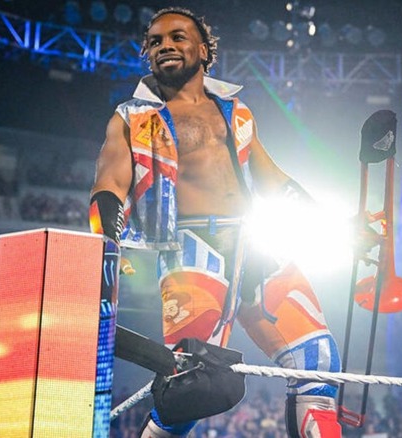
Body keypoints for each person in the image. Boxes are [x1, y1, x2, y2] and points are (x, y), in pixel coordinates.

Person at [89, 7, 342, 438]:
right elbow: (108, 187)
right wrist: (104, 247)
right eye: (155, 41)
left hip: (255, 242)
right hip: (189, 246)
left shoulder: (237, 111)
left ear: (204, 51)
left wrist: (338, 227)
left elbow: (272, 178)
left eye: (177, 37)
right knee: (194, 385)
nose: (165, 45)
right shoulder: (130, 117)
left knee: (318, 362)